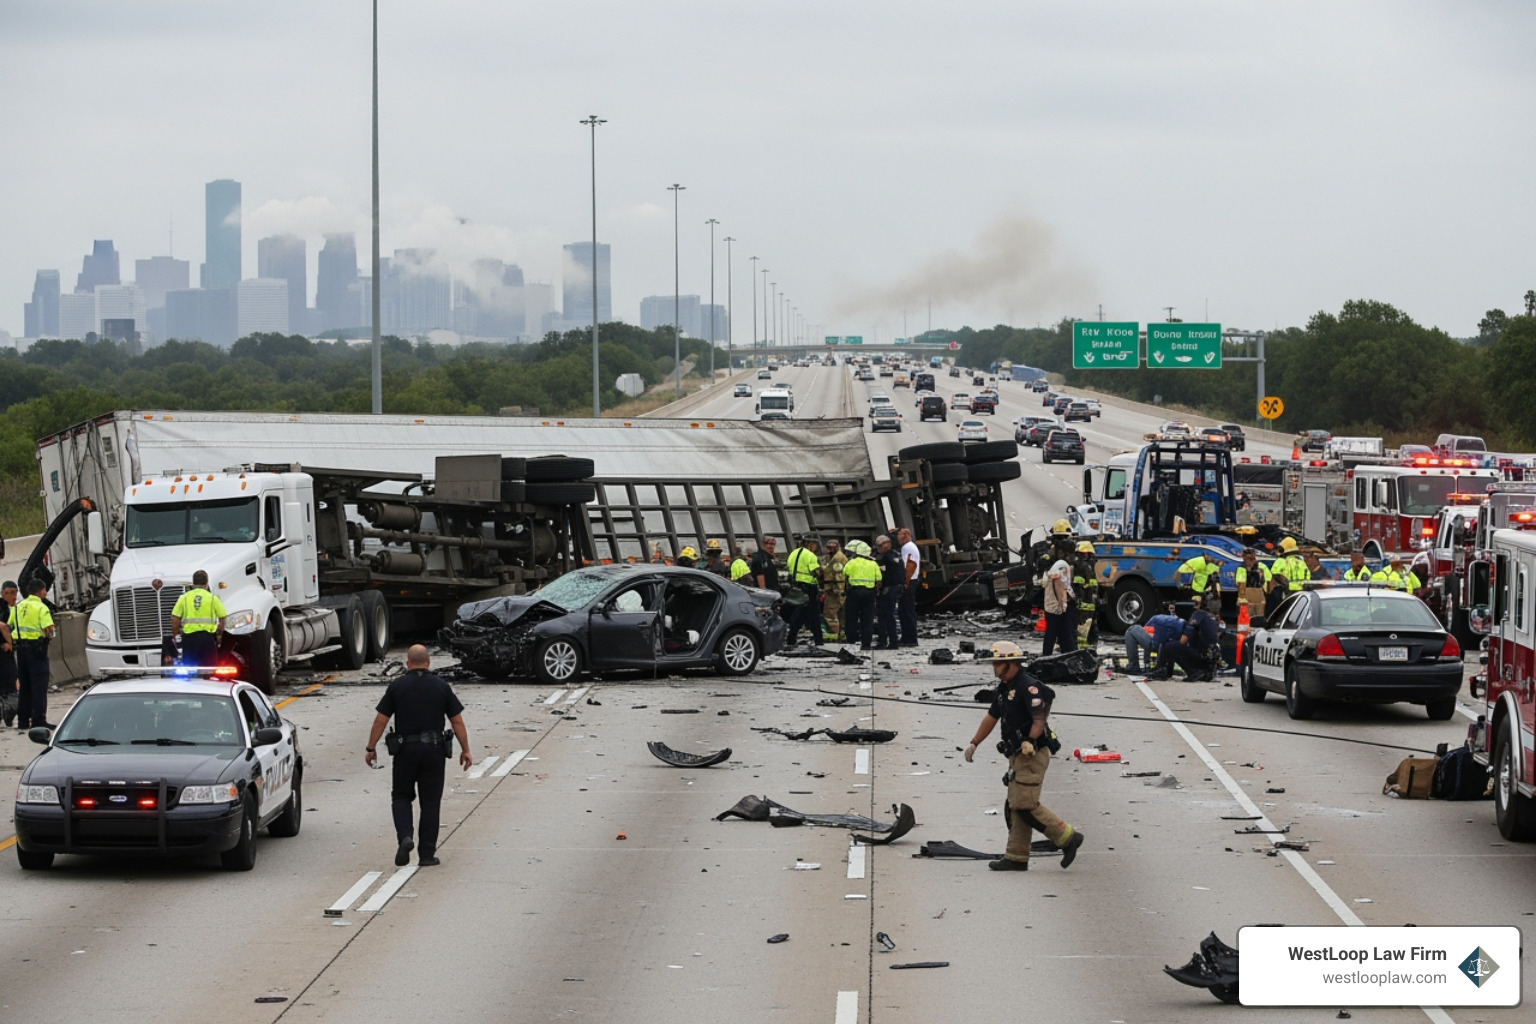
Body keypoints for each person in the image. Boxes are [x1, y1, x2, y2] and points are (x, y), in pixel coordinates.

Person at [963, 641, 1084, 871]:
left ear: (1010, 663)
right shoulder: (1005, 688)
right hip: (1017, 754)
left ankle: (1067, 838)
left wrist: (1029, 740)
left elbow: (1039, 718)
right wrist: (974, 743)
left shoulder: (1029, 687)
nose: (994, 667)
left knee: (1025, 804)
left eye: (998, 663)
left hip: (1032, 754)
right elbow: (991, 717)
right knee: (1017, 804)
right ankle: (1016, 857)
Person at [365, 645, 473, 867]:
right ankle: (426, 855)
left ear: (407, 663)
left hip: (405, 751)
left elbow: (381, 720)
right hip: (434, 751)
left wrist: (371, 747)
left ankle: (405, 837)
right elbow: (457, 721)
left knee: (402, 796)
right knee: (430, 803)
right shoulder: (441, 687)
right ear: (429, 662)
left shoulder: (397, 686)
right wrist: (466, 749)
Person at [12, 577, 56, 730]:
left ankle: (23, 721)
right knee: (39, 686)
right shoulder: (41, 608)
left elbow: (10, 624)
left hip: (21, 651)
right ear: (41, 591)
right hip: (37, 651)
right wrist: (50, 635)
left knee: (25, 686)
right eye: (45, 590)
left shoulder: (18, 607)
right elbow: (48, 630)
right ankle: (38, 720)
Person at [1153, 599, 1222, 681]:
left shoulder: (1198, 614)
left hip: (1201, 658)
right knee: (1180, 646)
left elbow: (1183, 640)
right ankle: (1200, 672)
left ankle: (1164, 672)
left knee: (1169, 646)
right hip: (1210, 663)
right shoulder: (1215, 619)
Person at [171, 569, 227, 667]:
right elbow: (223, 617)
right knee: (209, 670)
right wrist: (219, 636)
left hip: (189, 640)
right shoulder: (213, 598)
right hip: (207, 640)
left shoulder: (183, 598)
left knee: (189, 671)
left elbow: (175, 618)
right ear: (206, 583)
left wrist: (177, 636)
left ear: (193, 583)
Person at [784, 537, 823, 646]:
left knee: (798, 613)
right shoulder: (810, 556)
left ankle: (791, 638)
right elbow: (815, 572)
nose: (815, 548)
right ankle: (818, 639)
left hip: (795, 587)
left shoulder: (793, 553)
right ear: (811, 545)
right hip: (808, 587)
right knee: (814, 614)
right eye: (815, 545)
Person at [842, 540, 880, 649]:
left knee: (851, 618)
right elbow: (879, 580)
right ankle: (866, 644)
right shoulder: (873, 564)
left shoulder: (851, 562)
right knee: (867, 620)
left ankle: (851, 642)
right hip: (869, 594)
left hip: (854, 593)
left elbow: (845, 575)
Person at [874, 534, 905, 649]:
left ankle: (885, 641)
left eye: (880, 546)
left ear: (887, 544)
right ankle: (892, 641)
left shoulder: (885, 558)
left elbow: (882, 574)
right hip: (897, 588)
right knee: (889, 616)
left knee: (884, 615)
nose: (878, 549)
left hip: (888, 589)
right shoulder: (897, 555)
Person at [1039, 555, 1074, 657]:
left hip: (1050, 610)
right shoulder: (1059, 577)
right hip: (1058, 610)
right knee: (1064, 636)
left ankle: (1047, 656)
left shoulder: (1048, 577)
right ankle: (1068, 655)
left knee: (1051, 636)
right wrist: (1064, 607)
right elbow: (1063, 594)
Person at [1139, 611, 1187, 677]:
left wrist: (1150, 666)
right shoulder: (1153, 621)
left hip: (1176, 628)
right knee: (1170, 648)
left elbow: (1155, 644)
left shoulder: (1152, 626)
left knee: (1161, 647)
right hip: (1181, 625)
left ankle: (1162, 669)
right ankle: (1168, 670)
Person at [1072, 541, 1100, 649]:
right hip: (1087, 604)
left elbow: (1087, 585)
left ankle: (1084, 647)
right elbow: (1082, 585)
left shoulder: (1084, 567)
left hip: (1087, 604)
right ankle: (1086, 647)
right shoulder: (1086, 567)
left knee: (1084, 627)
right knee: (1086, 627)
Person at [819, 539, 848, 642]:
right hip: (832, 589)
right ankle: (840, 633)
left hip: (834, 590)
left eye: (830, 547)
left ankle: (832, 634)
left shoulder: (838, 558)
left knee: (830, 612)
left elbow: (838, 575)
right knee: (839, 613)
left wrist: (838, 590)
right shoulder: (831, 558)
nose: (827, 550)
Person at [896, 528, 921, 647]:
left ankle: (910, 639)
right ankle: (906, 637)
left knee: (907, 611)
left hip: (909, 581)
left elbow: (911, 564)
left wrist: (905, 581)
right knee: (904, 611)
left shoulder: (908, 547)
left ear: (906, 535)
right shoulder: (909, 547)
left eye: (899, 535)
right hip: (910, 581)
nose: (897, 537)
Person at [1235, 549, 1271, 624]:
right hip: (1249, 597)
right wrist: (1242, 598)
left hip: (1258, 596)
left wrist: (1266, 592)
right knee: (1247, 618)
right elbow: (1241, 584)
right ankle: (1245, 632)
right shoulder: (1242, 568)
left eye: (1251, 558)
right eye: (1248, 559)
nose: (1250, 561)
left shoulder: (1260, 567)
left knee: (1258, 617)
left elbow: (1268, 580)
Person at [1, 580, 17, 728]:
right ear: (4, 593)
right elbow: (2, 626)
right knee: (10, 684)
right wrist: (8, 643)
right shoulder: (3, 608)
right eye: (11, 593)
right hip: (3, 654)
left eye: (16, 593)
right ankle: (9, 713)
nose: (14, 597)